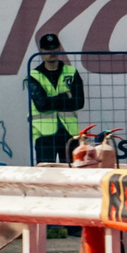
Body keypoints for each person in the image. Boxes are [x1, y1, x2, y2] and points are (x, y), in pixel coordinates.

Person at [25, 32, 83, 166]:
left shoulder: (71, 72)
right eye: (47, 48)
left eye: (54, 47)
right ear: (41, 51)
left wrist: (51, 100)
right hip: (44, 135)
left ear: (59, 49)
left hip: (69, 134)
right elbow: (41, 105)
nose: (51, 51)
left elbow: (79, 102)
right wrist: (65, 96)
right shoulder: (33, 75)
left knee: (73, 173)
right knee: (45, 173)